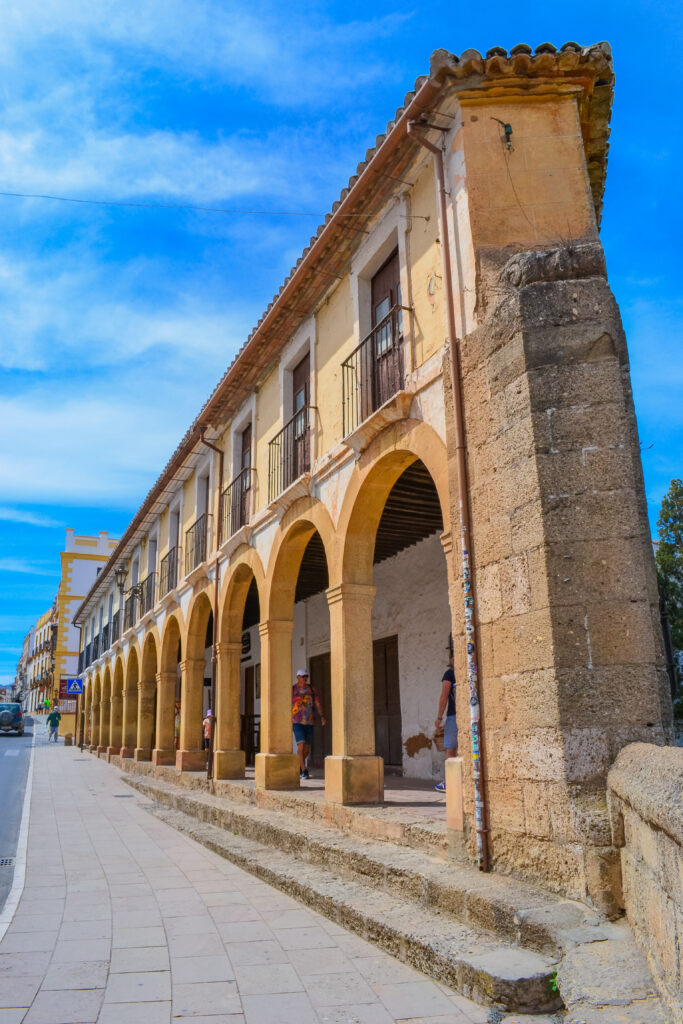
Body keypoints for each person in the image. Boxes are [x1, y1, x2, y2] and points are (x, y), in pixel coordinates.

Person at [291, 669, 325, 780]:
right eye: (302, 676)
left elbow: (317, 703)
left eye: (306, 676)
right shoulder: (293, 689)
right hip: (297, 721)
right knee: (301, 745)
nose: (304, 678)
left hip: (309, 721)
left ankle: (298, 767)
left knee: (307, 749)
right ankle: (304, 770)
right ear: (297, 677)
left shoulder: (311, 689)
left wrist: (322, 716)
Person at [434, 650, 457, 792]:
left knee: (450, 748)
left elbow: (444, 696)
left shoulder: (449, 674)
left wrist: (439, 717)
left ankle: (450, 782)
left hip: (453, 716)